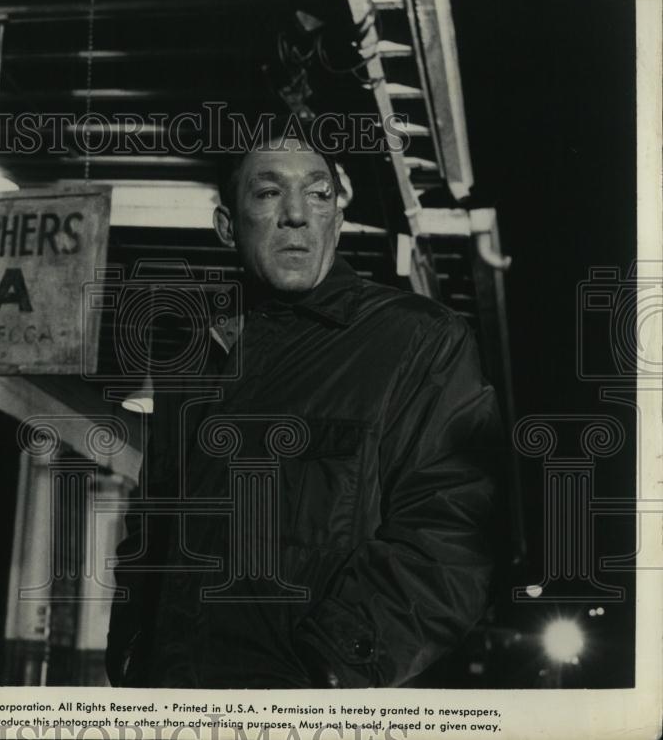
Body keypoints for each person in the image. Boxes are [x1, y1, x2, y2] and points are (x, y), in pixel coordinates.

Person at [106, 118, 502, 688]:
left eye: (318, 195)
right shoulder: (192, 359)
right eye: (269, 193)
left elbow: (451, 538)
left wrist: (329, 673)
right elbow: (149, 531)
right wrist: (130, 656)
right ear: (227, 226)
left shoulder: (416, 341)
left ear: (336, 221)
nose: (297, 214)